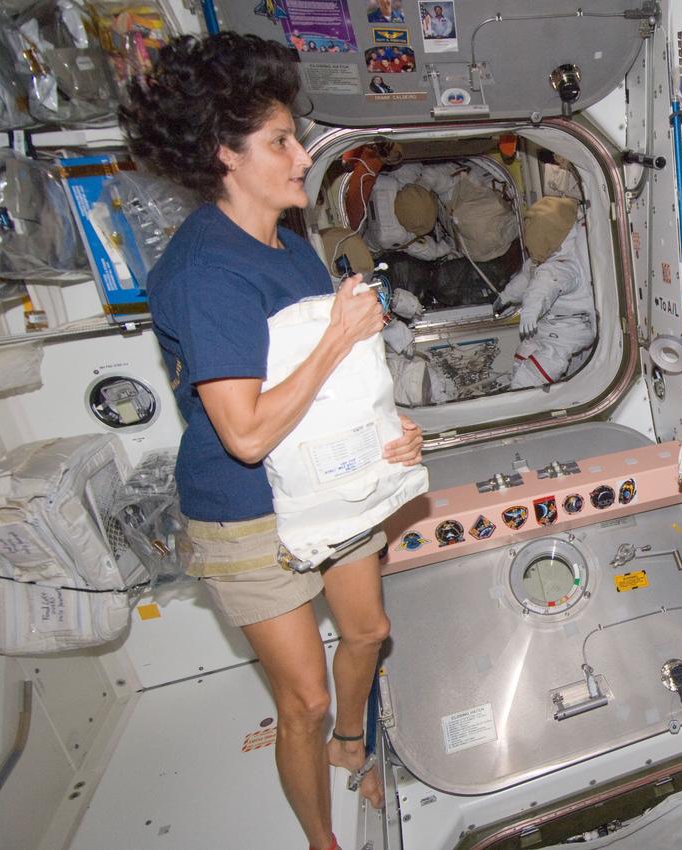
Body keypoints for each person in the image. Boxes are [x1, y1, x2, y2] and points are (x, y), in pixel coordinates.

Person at [120, 33, 423, 850]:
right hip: (244, 509)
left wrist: (393, 433)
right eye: (281, 142)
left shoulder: (288, 249)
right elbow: (247, 433)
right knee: (305, 700)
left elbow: (336, 388)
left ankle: (353, 743)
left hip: (329, 482)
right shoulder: (203, 272)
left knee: (366, 634)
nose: (300, 156)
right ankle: (322, 839)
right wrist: (337, 337)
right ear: (226, 155)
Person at [492, 196, 595, 388]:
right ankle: (517, 389)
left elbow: (542, 289)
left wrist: (530, 312)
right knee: (523, 354)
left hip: (568, 329)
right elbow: (526, 279)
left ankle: (523, 399)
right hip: (547, 324)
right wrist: (506, 296)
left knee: (536, 371)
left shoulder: (563, 267)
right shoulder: (546, 259)